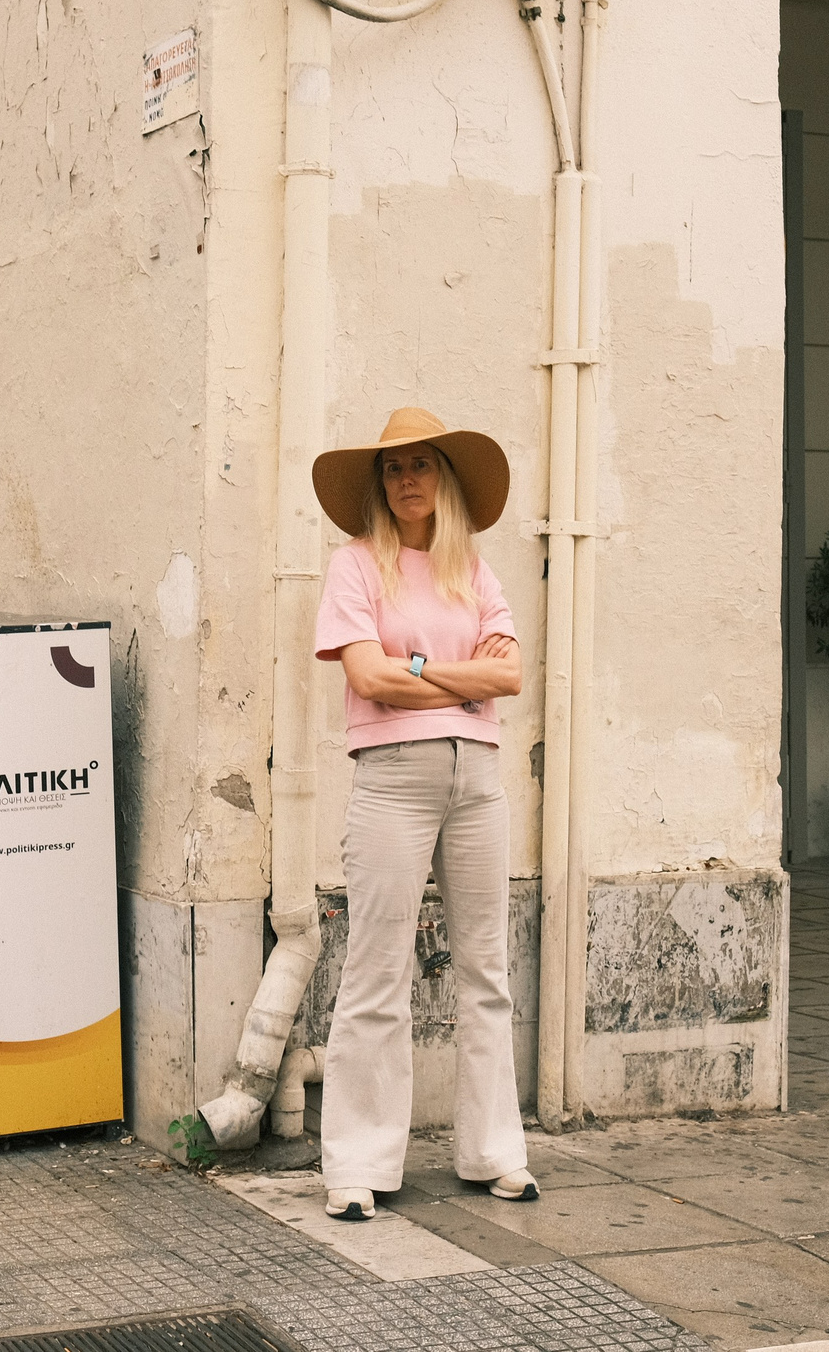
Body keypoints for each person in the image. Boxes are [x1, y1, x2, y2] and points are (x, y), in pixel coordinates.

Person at [309, 406, 532, 1222]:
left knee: (486, 969)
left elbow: (511, 680)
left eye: (421, 464)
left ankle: (494, 1153)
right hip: (393, 775)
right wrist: (461, 674)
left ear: (443, 478)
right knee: (376, 969)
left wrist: (421, 666)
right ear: (380, 482)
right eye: (394, 467)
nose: (407, 479)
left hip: (478, 777)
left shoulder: (473, 569)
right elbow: (370, 680)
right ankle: (358, 1167)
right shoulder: (355, 566)